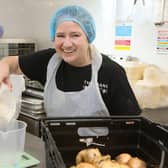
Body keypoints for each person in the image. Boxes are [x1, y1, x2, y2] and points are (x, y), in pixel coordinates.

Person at [0, 5, 141, 118]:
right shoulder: (48, 61)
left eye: (75, 35)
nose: (67, 44)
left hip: (99, 153)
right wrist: (3, 71)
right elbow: (10, 63)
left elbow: (131, 126)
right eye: (60, 36)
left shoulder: (111, 72)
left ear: (88, 37)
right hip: (56, 151)